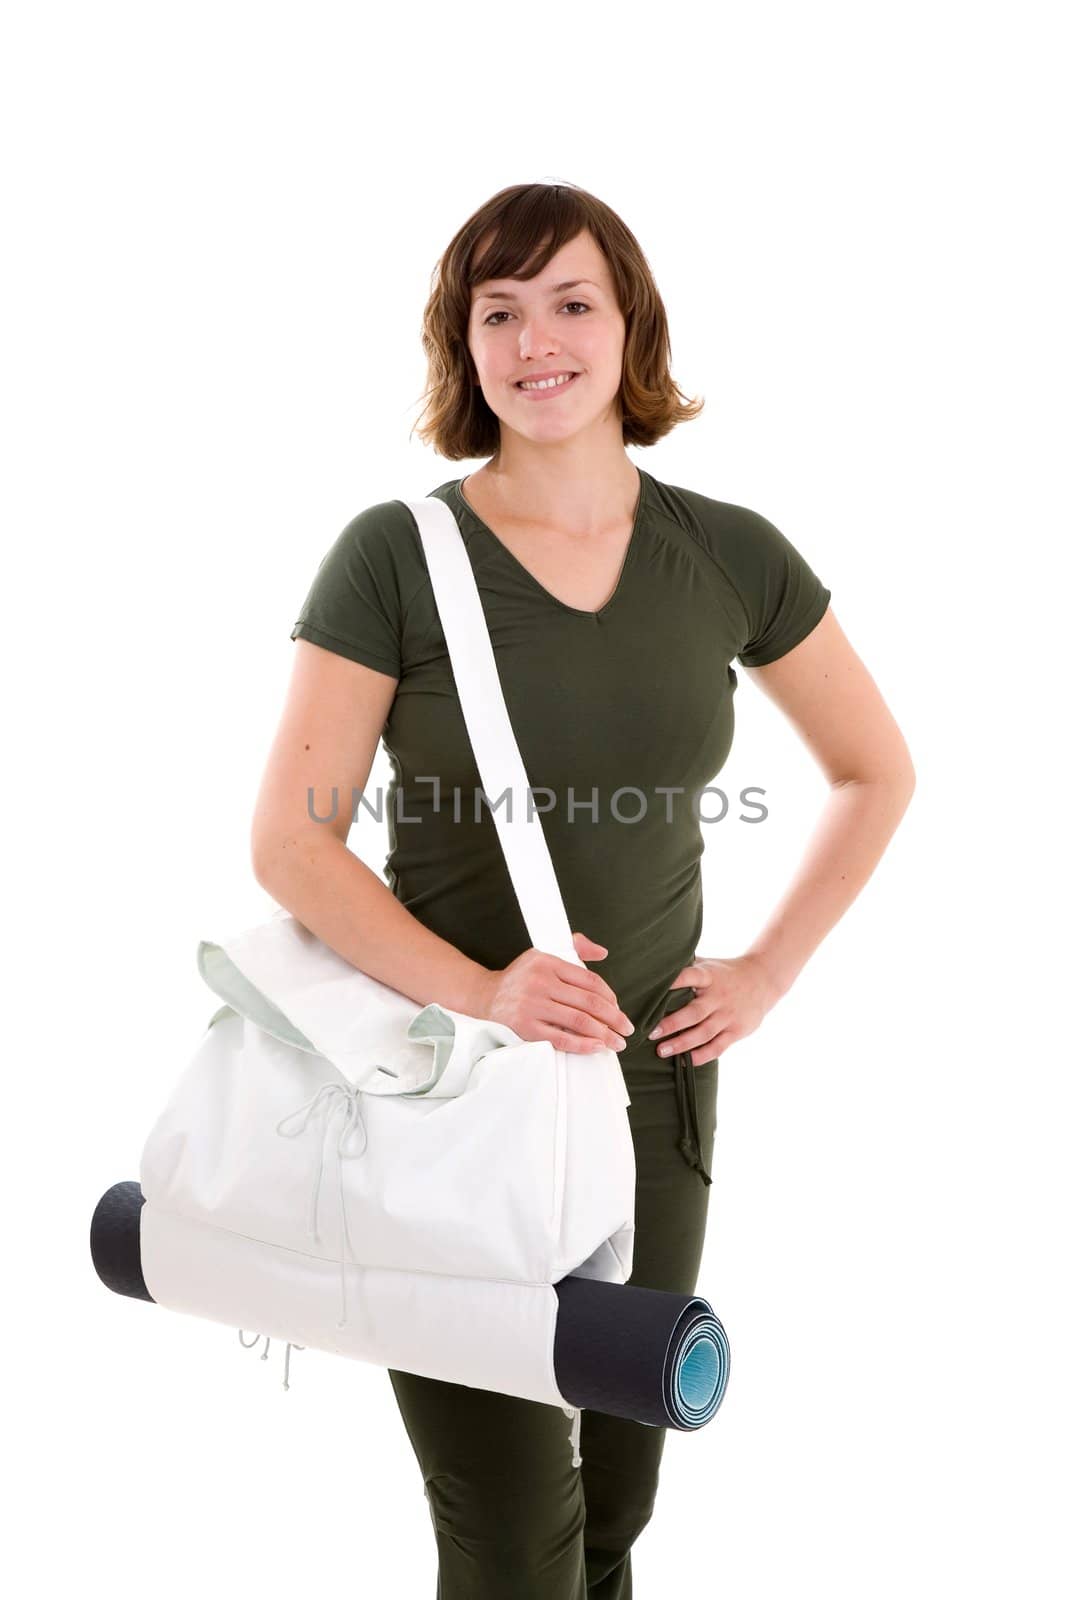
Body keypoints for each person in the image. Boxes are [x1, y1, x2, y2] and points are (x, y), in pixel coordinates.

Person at [251, 180, 916, 1598]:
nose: (535, 340)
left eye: (571, 303)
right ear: (462, 342)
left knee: (614, 1516)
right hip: (446, 1090)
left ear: (629, 328)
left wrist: (766, 970)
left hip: (651, 1093)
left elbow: (875, 770)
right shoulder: (397, 555)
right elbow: (293, 845)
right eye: (499, 311)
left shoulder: (727, 552)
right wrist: (485, 988)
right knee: (511, 1538)